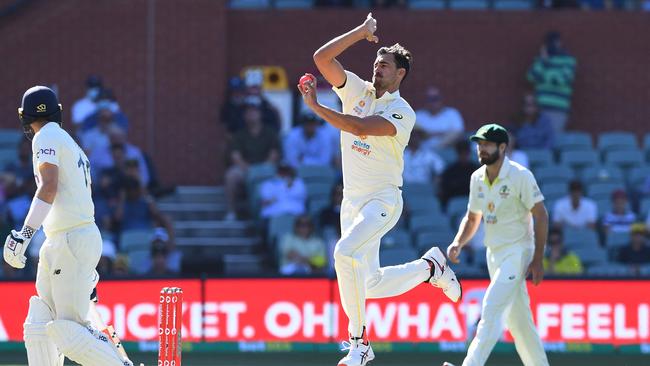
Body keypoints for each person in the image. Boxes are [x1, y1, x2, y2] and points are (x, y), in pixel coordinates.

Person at [303, 13, 461, 366]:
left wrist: (316, 107)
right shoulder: (357, 89)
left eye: (385, 65)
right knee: (368, 284)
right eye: (376, 63)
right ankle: (429, 268)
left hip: (383, 201)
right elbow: (321, 59)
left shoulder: (403, 112)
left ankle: (359, 343)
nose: (378, 69)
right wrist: (360, 33)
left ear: (400, 73)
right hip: (352, 202)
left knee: (344, 254)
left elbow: (359, 127)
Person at [3, 86, 132, 365]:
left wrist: (23, 235)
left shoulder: (45, 136)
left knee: (69, 331)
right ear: (57, 111)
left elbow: (48, 187)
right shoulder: (68, 141)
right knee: (40, 319)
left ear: (25, 117)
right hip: (66, 239)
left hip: (70, 239)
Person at [443, 124, 549, 366]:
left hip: (519, 251)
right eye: (479, 144)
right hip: (495, 254)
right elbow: (472, 217)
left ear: (502, 147)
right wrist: (458, 242)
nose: (482, 148)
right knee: (520, 324)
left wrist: (538, 259)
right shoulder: (477, 178)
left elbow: (541, 215)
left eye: (487, 144)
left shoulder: (520, 175)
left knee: (491, 307)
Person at [526, 31, 577, 135]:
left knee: (555, 138)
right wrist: (543, 61)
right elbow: (532, 77)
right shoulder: (540, 60)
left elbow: (561, 80)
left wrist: (544, 74)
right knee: (540, 138)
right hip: (540, 109)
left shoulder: (568, 61)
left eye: (556, 42)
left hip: (558, 109)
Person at [415, 86, 464, 151]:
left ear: (441, 99)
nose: (433, 102)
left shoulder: (452, 113)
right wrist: (443, 133)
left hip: (447, 150)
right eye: (430, 99)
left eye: (435, 98)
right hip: (423, 152)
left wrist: (430, 134)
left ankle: (437, 148)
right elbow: (415, 134)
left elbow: (458, 133)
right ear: (426, 100)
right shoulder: (418, 115)